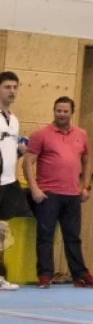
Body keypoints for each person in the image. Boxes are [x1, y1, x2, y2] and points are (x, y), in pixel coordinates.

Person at [22, 95, 93, 288]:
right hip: (48, 194)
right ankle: (45, 276)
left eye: (65, 111)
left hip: (72, 194)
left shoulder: (82, 134)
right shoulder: (41, 134)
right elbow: (28, 162)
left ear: (72, 112)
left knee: (73, 237)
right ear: (54, 111)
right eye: (58, 110)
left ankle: (80, 275)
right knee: (45, 236)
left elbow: (87, 161)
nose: (61, 114)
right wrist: (34, 189)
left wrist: (86, 186)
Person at [0, 72, 23, 290]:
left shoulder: (14, 120)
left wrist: (20, 150)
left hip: (8, 182)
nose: (12, 91)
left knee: (1, 230)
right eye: (7, 86)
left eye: (15, 87)